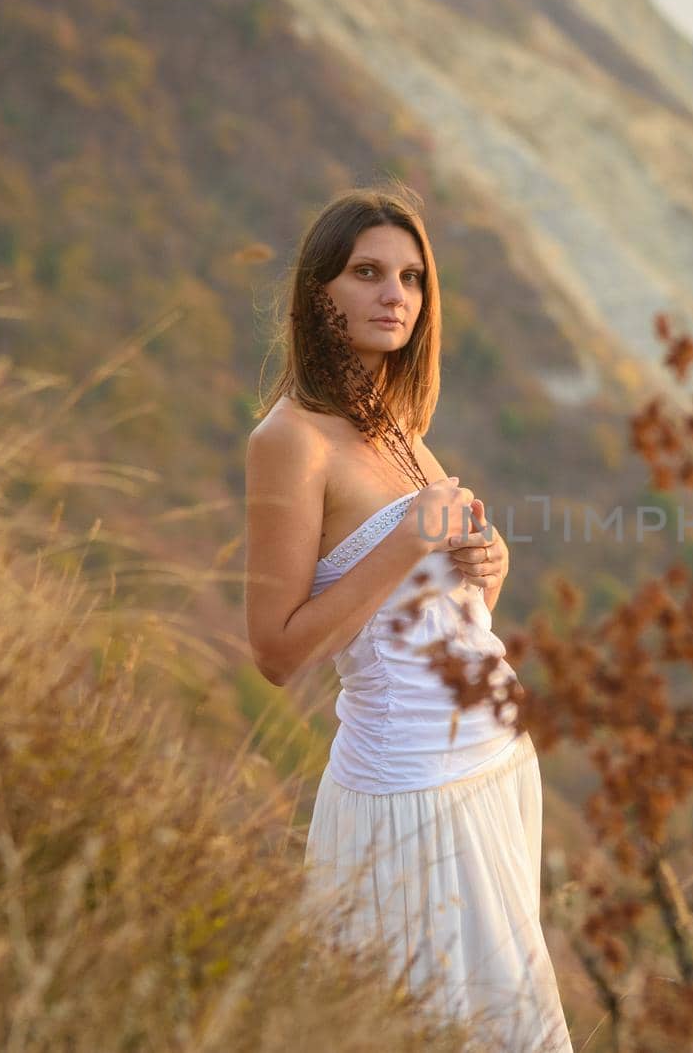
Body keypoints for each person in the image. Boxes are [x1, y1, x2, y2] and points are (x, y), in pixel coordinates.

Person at [243, 182, 573, 1052]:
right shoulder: (291, 439)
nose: (396, 295)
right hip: (412, 793)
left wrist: (482, 573)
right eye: (368, 273)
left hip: (495, 766)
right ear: (320, 291)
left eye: (413, 278)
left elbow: (416, 613)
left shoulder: (394, 417)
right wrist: (406, 548)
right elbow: (276, 652)